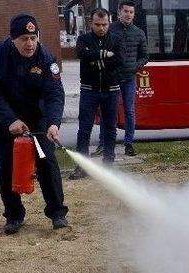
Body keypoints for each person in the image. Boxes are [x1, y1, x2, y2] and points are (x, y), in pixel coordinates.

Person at [0, 14, 68, 235]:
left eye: (33, 37)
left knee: (47, 163)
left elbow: (55, 94)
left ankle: (57, 213)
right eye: (24, 39)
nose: (30, 43)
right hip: (5, 120)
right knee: (5, 166)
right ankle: (13, 215)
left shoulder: (46, 58)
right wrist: (10, 120)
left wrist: (53, 123)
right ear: (13, 39)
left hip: (37, 117)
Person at [69, 7, 123, 179]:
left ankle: (108, 164)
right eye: (97, 24)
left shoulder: (116, 39)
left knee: (110, 129)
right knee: (84, 129)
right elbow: (81, 54)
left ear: (109, 23)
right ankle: (82, 166)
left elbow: (119, 59)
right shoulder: (83, 39)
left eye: (104, 24)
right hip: (89, 91)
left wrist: (96, 61)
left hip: (111, 91)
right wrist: (103, 54)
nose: (101, 28)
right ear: (90, 23)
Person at [93, 0, 147, 158]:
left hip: (129, 78)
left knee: (129, 111)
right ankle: (104, 144)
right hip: (111, 78)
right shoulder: (109, 29)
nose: (128, 14)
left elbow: (145, 56)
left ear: (134, 14)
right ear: (119, 12)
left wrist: (135, 67)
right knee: (107, 111)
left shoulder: (139, 33)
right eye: (126, 11)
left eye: (131, 12)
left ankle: (129, 144)